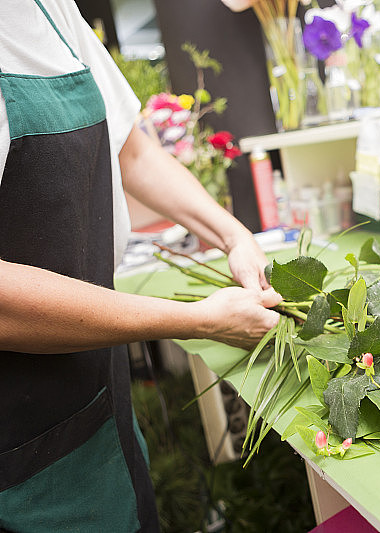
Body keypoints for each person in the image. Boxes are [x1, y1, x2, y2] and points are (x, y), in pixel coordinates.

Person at [0, 1, 281, 530]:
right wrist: (199, 320)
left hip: (92, 390)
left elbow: (133, 152)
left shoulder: (52, 9)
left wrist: (233, 234)